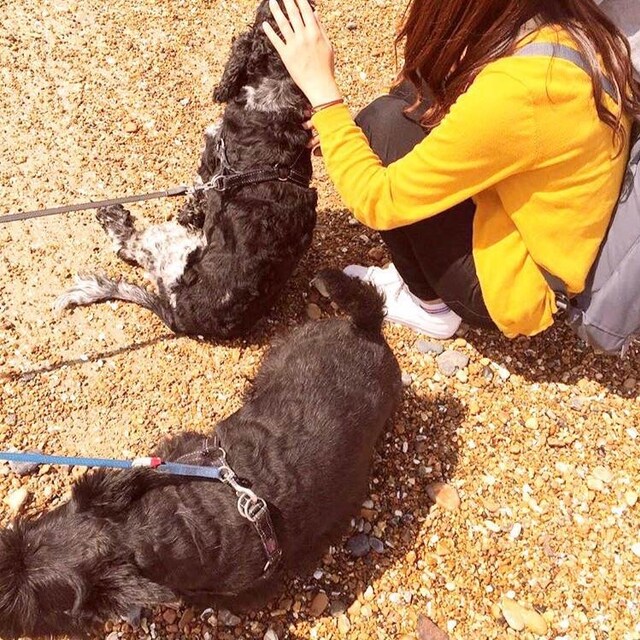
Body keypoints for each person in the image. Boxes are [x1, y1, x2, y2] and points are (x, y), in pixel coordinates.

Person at [262, 0, 640, 340]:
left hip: (516, 285)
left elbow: (376, 199)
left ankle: (431, 308)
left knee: (381, 125)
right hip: (550, 224)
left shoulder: (522, 90)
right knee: (411, 101)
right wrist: (339, 133)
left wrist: (324, 96)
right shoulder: (573, 21)